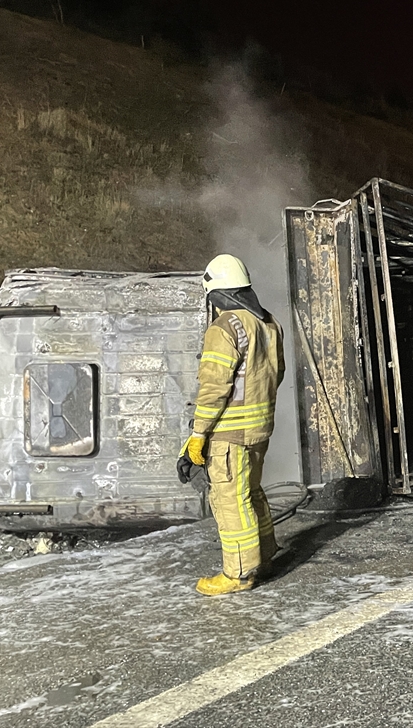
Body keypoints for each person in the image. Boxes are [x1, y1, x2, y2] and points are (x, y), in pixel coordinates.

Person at [179, 254, 285, 595]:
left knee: (229, 501)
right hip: (260, 428)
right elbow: (275, 374)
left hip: (229, 435)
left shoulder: (224, 328)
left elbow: (213, 388)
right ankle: (264, 558)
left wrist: (197, 435)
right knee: (252, 493)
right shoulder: (268, 323)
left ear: (218, 294)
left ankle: (239, 574)